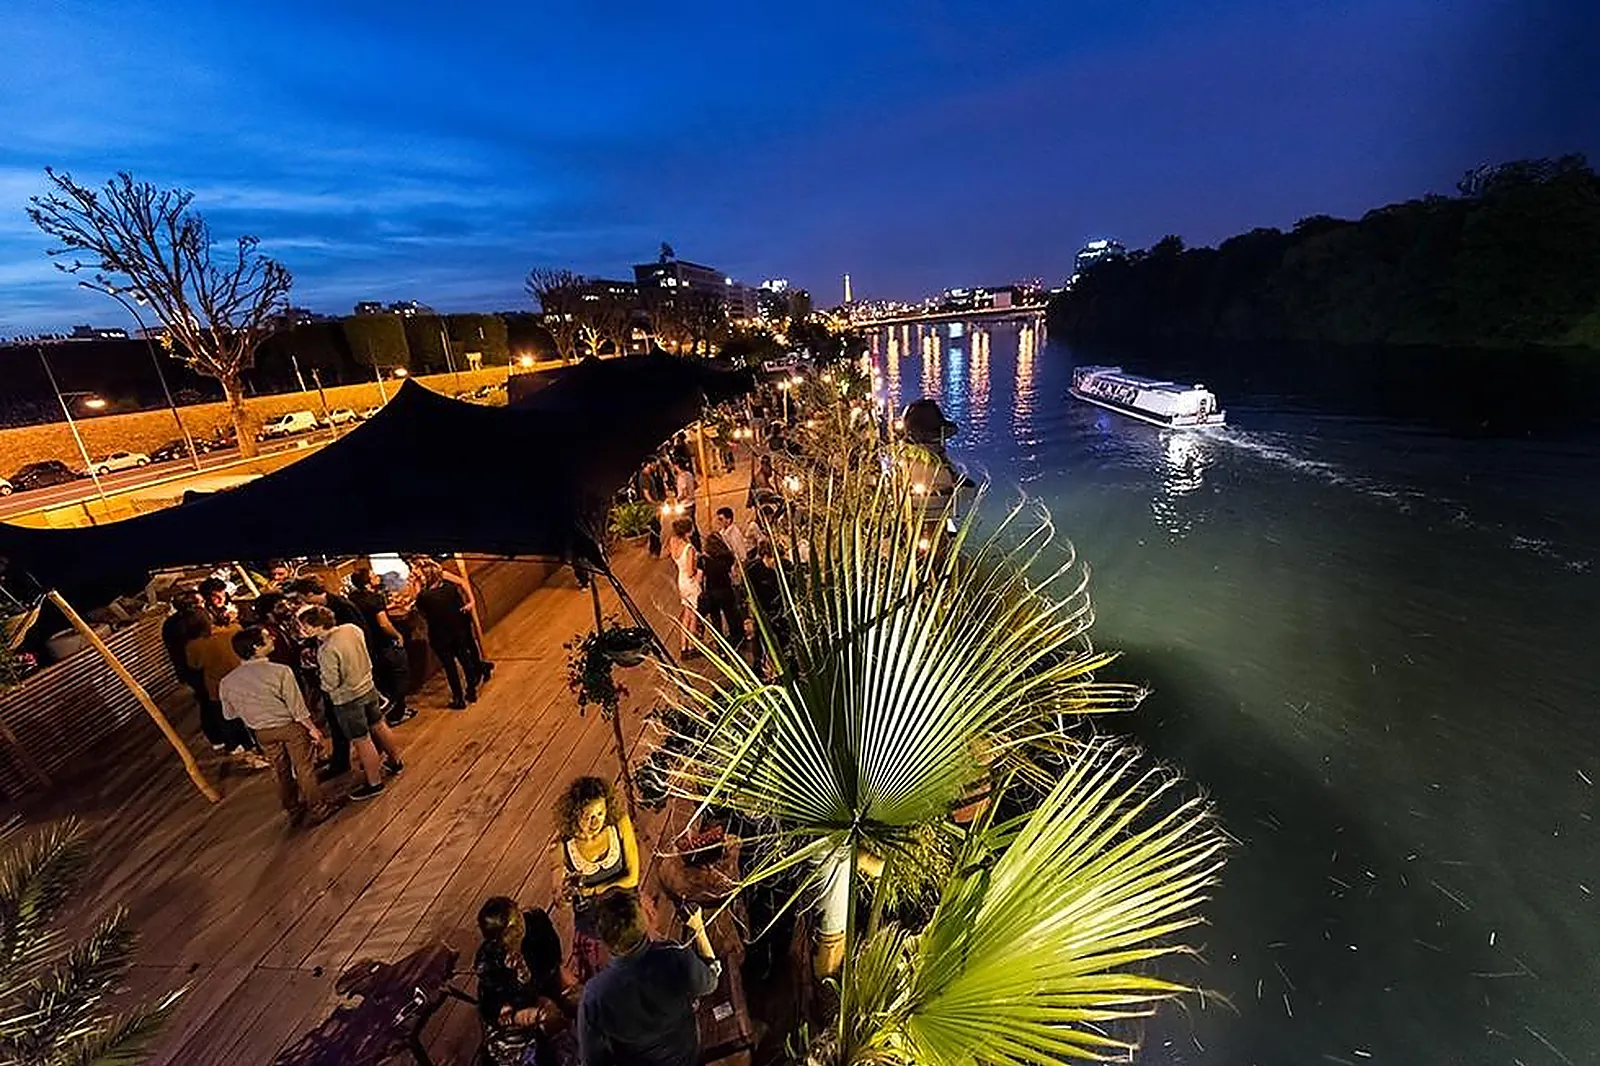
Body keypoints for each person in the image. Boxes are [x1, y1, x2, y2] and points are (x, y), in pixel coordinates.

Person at [576, 892, 719, 1066]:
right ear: (644, 922)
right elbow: (711, 982)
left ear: (604, 940)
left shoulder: (594, 995)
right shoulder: (674, 956)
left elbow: (592, 1061)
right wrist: (698, 928)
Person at [219, 626, 339, 827]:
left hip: (261, 732)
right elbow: (297, 708)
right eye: (266, 637)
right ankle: (319, 808)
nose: (272, 638)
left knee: (279, 770)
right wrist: (313, 728)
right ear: (256, 647)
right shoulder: (280, 671)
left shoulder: (227, 681)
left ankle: (293, 809)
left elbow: (229, 714)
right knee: (304, 768)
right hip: (289, 726)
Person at [298, 605, 403, 801]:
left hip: (347, 698)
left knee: (362, 740)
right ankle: (395, 761)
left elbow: (331, 683)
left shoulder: (327, 649)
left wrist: (318, 677)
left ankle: (374, 782)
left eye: (306, 626)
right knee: (379, 725)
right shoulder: (352, 629)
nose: (304, 630)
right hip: (368, 686)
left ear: (318, 626)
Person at [550, 776, 642, 981]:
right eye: (587, 815)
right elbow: (559, 900)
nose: (596, 821)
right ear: (574, 815)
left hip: (626, 916)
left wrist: (591, 891)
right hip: (593, 926)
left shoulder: (619, 823)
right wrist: (563, 895)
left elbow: (632, 877)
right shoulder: (562, 846)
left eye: (600, 813)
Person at [475, 898, 579, 1066]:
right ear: (498, 937)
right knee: (550, 1018)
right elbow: (501, 1011)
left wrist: (570, 989)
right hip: (516, 1008)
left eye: (518, 916)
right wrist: (520, 979)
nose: (519, 927)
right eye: (511, 929)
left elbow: (553, 963)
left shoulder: (536, 922)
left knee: (585, 998)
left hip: (545, 985)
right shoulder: (490, 962)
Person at [182, 610, 268, 768]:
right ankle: (262, 748)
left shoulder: (193, 645)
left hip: (217, 687)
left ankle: (242, 748)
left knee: (228, 719)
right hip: (242, 680)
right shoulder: (231, 631)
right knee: (251, 716)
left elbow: (195, 665)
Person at [413, 559, 487, 709]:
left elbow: (420, 609)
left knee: (450, 667)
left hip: (440, 636)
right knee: (465, 659)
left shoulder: (424, 596)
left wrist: (416, 586)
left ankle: (458, 698)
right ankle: (471, 691)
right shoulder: (449, 588)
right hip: (458, 630)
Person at [349, 569, 414, 726]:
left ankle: (392, 711)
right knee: (400, 676)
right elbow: (384, 623)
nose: (377, 576)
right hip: (385, 643)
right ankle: (397, 713)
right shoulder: (375, 598)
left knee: (385, 679)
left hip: (369, 645)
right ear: (367, 583)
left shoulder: (353, 598)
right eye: (372, 576)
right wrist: (397, 635)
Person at [697, 533, 744, 648]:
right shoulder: (727, 557)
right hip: (726, 590)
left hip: (711, 592)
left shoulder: (703, 560)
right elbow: (732, 571)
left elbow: (699, 578)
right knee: (731, 614)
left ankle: (720, 643)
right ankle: (737, 637)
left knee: (715, 618)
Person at [665, 517, 701, 657]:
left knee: (686, 614)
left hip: (681, 580)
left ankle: (683, 646)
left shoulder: (673, 542)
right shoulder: (689, 548)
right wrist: (699, 571)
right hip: (690, 582)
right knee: (693, 616)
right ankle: (692, 646)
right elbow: (691, 571)